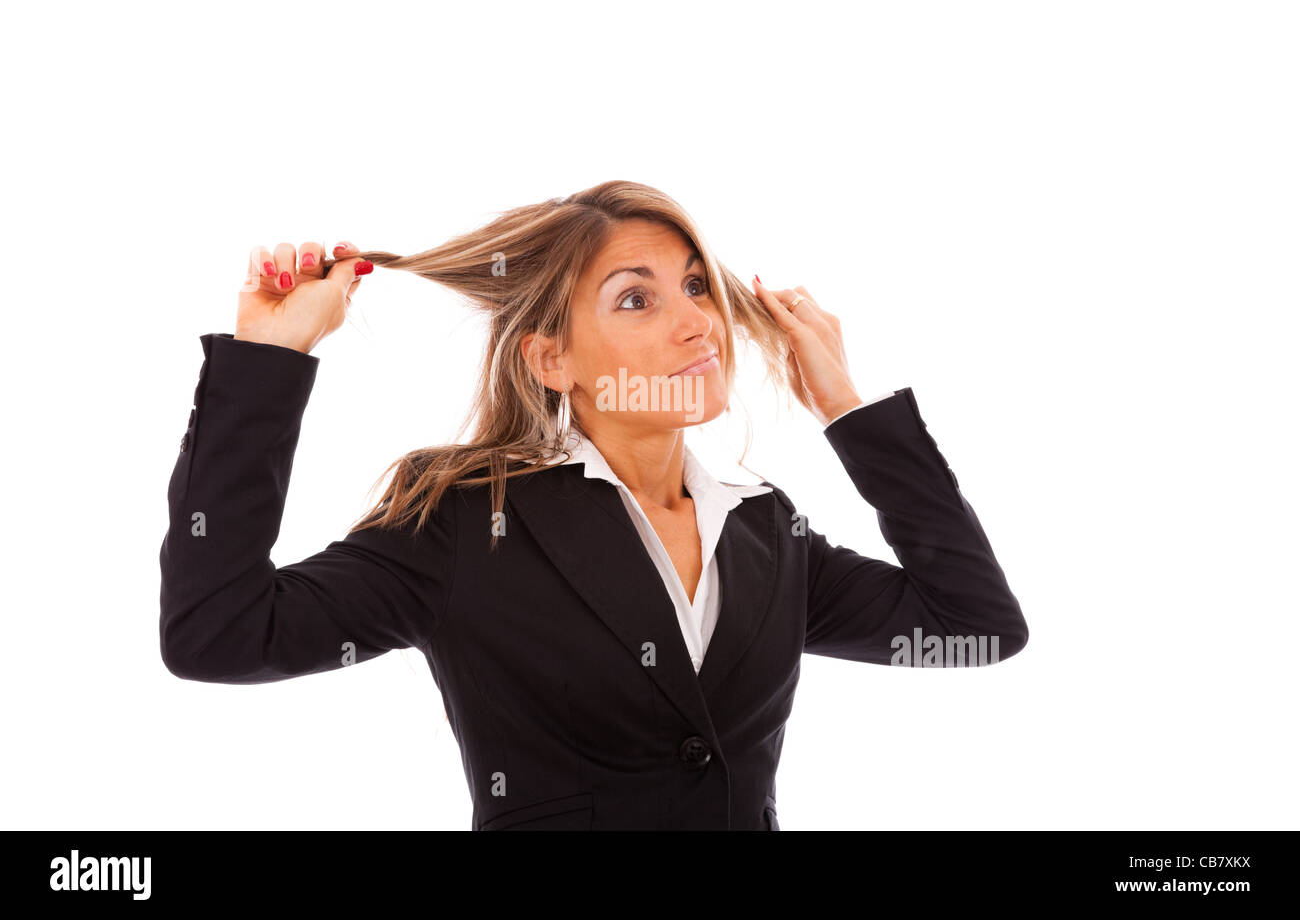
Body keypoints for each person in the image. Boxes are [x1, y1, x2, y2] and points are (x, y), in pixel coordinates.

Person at [159, 179, 1028, 830]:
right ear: (551, 361)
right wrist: (265, 363)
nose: (697, 323)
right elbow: (220, 635)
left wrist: (850, 410)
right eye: (635, 298)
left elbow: (977, 625)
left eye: (695, 286)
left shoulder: (767, 529)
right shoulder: (467, 525)